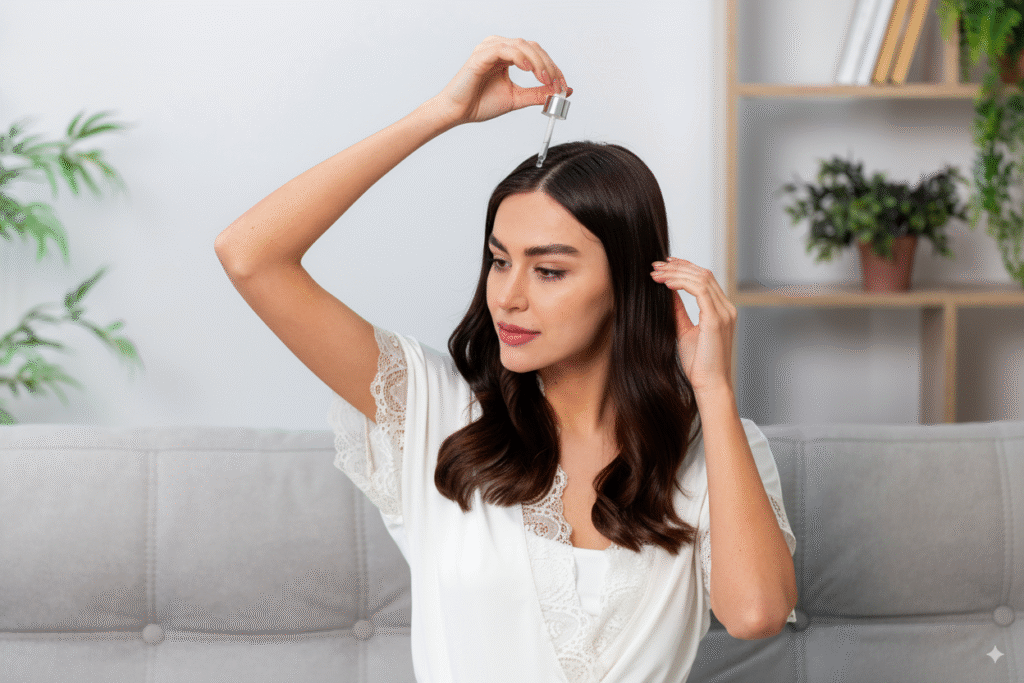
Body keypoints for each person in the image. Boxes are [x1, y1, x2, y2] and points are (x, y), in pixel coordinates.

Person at [215, 35, 797, 683]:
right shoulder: (438, 415)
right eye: (499, 260)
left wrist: (712, 388)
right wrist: (441, 113)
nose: (508, 297)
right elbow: (250, 254)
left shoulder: (709, 448)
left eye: (548, 270)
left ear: (629, 283)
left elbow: (755, 613)